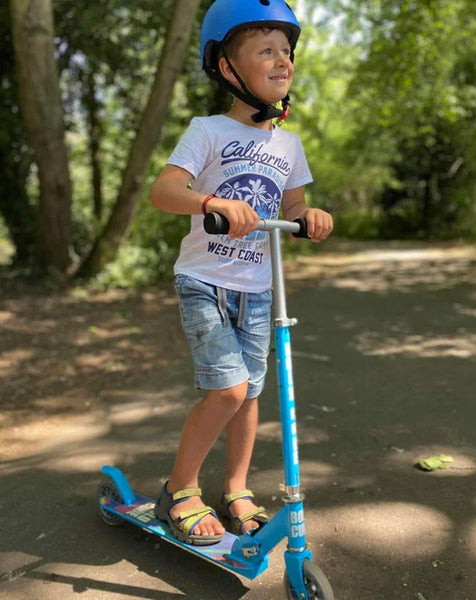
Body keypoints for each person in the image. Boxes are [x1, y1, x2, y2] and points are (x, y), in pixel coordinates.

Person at [149, 0, 333, 546]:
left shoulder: (288, 144)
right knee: (228, 391)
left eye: (287, 51)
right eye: (266, 51)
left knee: (249, 393)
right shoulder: (207, 130)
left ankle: (235, 487)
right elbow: (164, 192)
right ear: (228, 68)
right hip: (205, 280)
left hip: (259, 289)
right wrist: (213, 202)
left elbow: (295, 207)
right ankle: (179, 489)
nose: (283, 61)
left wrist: (311, 218)